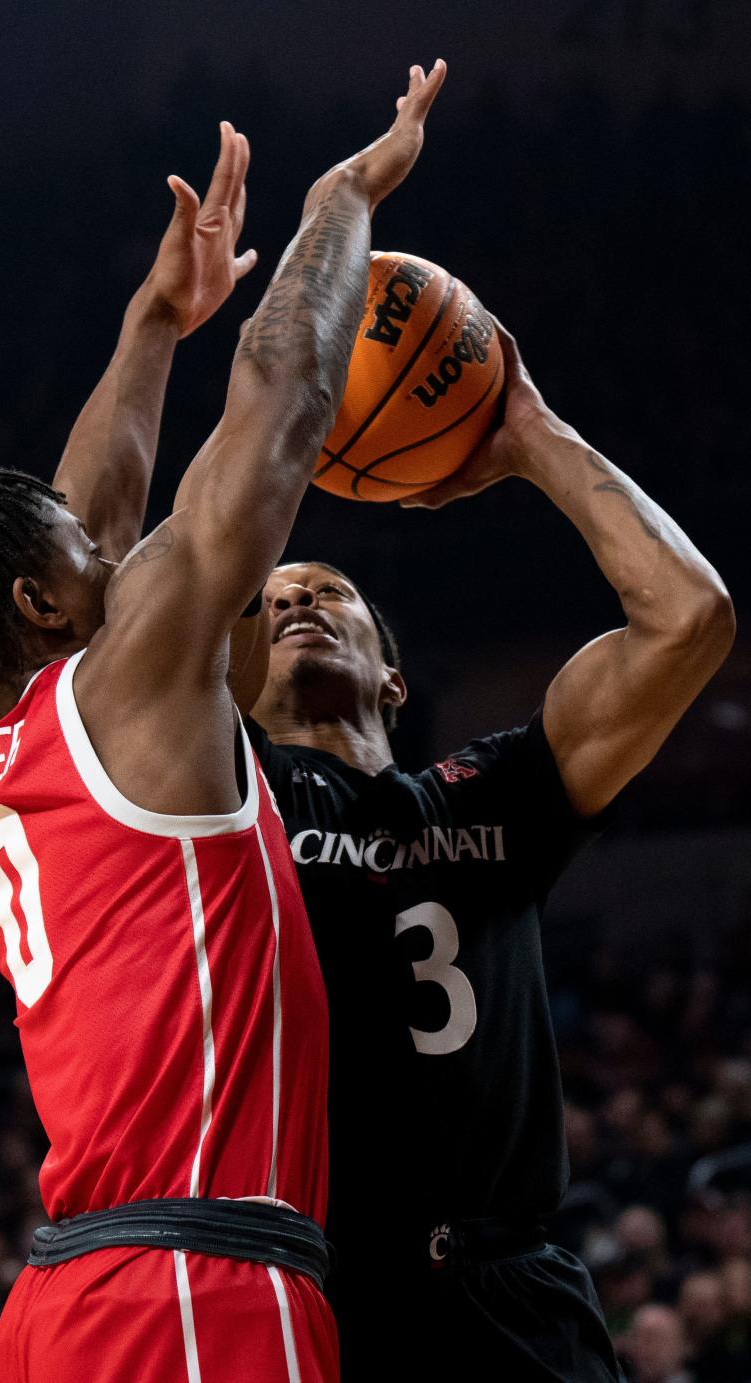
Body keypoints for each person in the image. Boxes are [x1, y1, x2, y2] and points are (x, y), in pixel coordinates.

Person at [0, 61, 448, 1383]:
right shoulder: (120, 683)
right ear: (37, 602)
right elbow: (284, 409)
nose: (111, 552)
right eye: (81, 558)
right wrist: (342, 201)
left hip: (73, 1300)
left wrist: (151, 323)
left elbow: (95, 515)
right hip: (197, 1289)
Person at [242, 321, 734, 1379]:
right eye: (272, 599)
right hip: (326, 1295)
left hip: (514, 1291)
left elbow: (689, 620)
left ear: (394, 680)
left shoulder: (492, 794)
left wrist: (527, 432)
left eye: (327, 589)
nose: (295, 601)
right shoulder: (226, 794)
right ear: (234, 689)